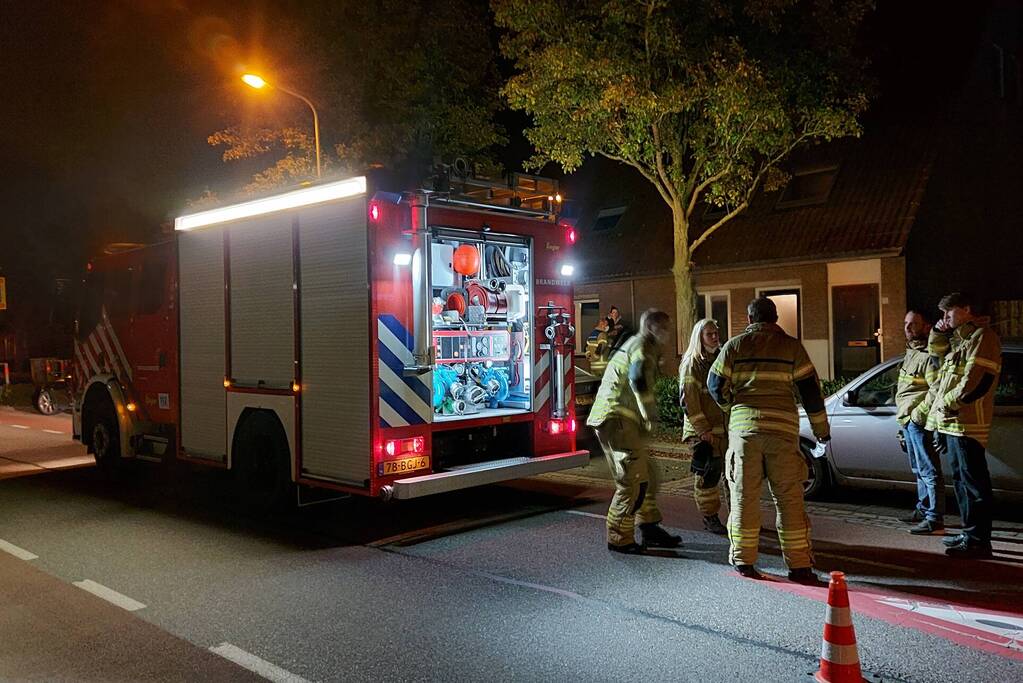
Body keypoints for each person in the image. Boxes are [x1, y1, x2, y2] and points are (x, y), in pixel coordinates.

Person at [708, 297, 830, 583]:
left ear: (750, 319)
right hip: (782, 433)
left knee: (744, 498)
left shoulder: (734, 346)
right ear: (775, 319)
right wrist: (822, 430)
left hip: (744, 434)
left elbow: (714, 385)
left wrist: (732, 407)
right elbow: (810, 393)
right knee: (789, 500)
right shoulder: (792, 347)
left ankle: (744, 561)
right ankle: (800, 566)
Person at [913, 293, 1002, 559]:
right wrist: (939, 335)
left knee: (974, 484)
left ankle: (978, 540)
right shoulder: (961, 341)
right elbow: (937, 361)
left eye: (949, 313)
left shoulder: (983, 338)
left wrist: (949, 404)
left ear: (966, 309)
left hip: (966, 423)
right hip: (954, 423)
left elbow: (977, 381)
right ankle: (969, 533)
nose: (945, 318)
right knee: (963, 483)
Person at [586, 308, 682, 553]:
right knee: (632, 480)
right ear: (652, 328)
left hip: (619, 419)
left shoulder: (640, 345)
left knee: (646, 474)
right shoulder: (642, 346)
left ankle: (649, 527)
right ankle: (619, 538)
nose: (668, 334)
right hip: (617, 418)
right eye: (664, 328)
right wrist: (649, 413)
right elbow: (637, 377)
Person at [895, 309, 944, 535]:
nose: (907, 328)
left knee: (928, 470)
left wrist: (917, 416)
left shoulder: (928, 354)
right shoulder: (912, 353)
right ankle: (923, 509)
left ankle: (934, 519)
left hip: (918, 421)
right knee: (919, 469)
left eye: (913, 324)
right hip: (908, 420)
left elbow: (935, 391)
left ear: (926, 327)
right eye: (906, 323)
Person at [679, 318, 728, 535]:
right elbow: (689, 400)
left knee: (731, 474)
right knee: (708, 476)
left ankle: (737, 517)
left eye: (716, 333)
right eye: (710, 334)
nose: (715, 337)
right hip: (703, 434)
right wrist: (703, 431)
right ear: (699, 337)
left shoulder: (720, 359)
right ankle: (710, 517)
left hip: (722, 431)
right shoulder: (693, 363)